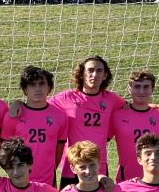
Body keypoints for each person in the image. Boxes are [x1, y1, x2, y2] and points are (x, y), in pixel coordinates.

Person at [1, 66, 67, 192]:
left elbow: (58, 151)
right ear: (24, 89)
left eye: (42, 84)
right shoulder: (13, 114)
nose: (37, 89)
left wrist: (46, 171)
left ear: (49, 88)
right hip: (18, 185)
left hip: (46, 184)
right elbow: (5, 151)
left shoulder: (59, 116)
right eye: (32, 84)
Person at [50, 55, 125, 184]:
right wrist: (18, 103)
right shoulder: (66, 98)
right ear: (82, 74)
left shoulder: (111, 99)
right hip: (73, 165)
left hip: (98, 165)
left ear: (105, 75)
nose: (94, 74)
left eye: (99, 71)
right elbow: (37, 105)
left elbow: (134, 106)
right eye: (90, 70)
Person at [109, 70, 159, 182]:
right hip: (126, 180)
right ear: (129, 89)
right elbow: (100, 139)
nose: (141, 91)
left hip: (155, 180)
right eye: (137, 87)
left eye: (146, 87)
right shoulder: (117, 115)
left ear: (152, 89)